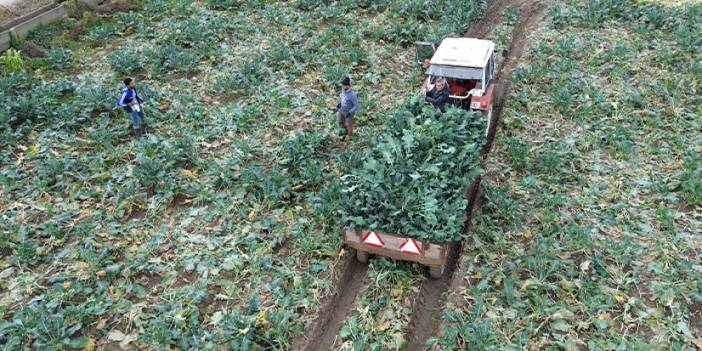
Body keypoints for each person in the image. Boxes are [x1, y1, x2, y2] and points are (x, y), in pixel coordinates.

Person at [337, 76, 359, 146]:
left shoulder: (352, 95)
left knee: (349, 125)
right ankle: (346, 131)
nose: (342, 86)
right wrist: (339, 104)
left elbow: (356, 105)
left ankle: (349, 136)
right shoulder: (343, 91)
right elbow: (342, 99)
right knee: (340, 122)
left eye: (343, 85)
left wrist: (350, 113)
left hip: (348, 112)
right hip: (342, 110)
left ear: (347, 85)